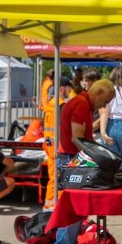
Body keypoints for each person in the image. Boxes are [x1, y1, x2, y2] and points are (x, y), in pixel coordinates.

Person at [52, 79, 115, 244]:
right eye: (105, 100)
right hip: (72, 159)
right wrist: (96, 155)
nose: (104, 105)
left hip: (71, 158)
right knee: (73, 207)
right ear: (99, 92)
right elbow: (77, 138)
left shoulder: (81, 103)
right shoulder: (80, 104)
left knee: (75, 207)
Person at [41, 76, 72, 210]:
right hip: (56, 146)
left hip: (49, 144)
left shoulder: (51, 103)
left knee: (53, 177)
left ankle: (49, 206)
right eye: (68, 89)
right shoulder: (60, 104)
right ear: (62, 88)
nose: (69, 91)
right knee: (57, 178)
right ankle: (52, 207)